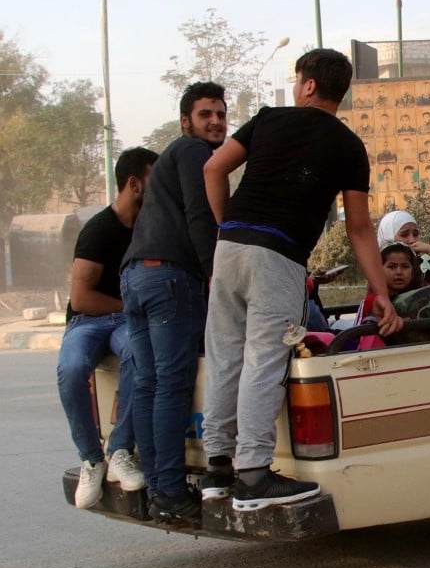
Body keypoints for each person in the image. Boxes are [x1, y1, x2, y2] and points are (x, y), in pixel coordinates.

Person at [201, 49, 403, 511]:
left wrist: (225, 225)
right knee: (264, 360)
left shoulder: (268, 120)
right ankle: (253, 475)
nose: (296, 87)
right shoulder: (349, 147)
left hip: (230, 249)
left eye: (297, 80)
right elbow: (358, 228)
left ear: (309, 85)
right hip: (279, 258)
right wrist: (381, 293)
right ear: (339, 92)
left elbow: (213, 168)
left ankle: (217, 469)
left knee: (225, 355)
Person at [120, 82, 226, 525]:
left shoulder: (171, 157)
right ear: (186, 122)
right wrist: (214, 272)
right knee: (170, 385)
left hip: (135, 276)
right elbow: (201, 214)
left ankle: (156, 488)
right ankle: (170, 490)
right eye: (205, 115)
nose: (215, 122)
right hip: (169, 278)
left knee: (149, 384)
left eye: (220, 114)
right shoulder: (194, 152)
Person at [59, 147, 157, 509]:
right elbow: (81, 298)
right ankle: (91, 458)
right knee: (71, 369)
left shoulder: (151, 229)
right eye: (154, 180)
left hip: (126, 321)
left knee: (139, 352)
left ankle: (119, 451)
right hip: (89, 320)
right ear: (134, 184)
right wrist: (128, 307)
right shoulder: (99, 229)